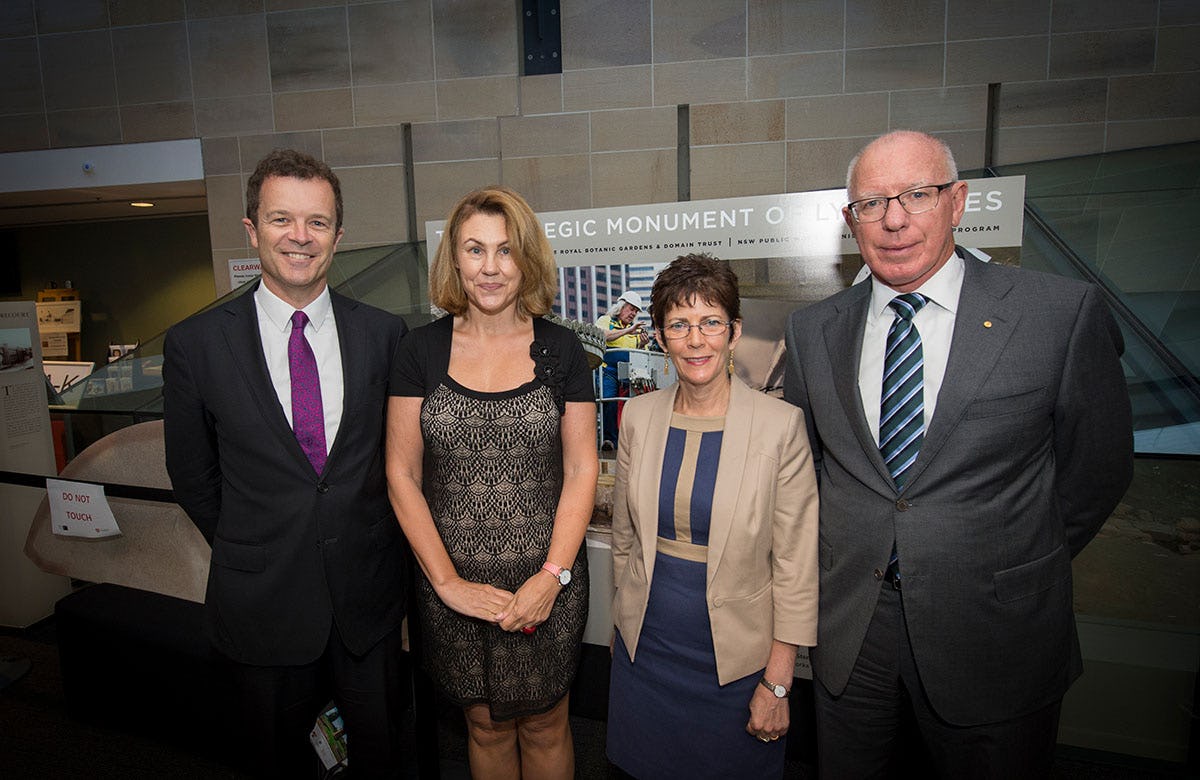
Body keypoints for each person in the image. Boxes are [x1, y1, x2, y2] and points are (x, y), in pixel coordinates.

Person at [783, 130, 1133, 777]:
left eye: (917, 194)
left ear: (958, 200)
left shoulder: (1058, 313)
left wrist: (1006, 556)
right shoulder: (812, 331)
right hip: (855, 629)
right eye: (872, 203)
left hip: (995, 630)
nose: (893, 219)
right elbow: (810, 469)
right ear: (850, 220)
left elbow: (1099, 469)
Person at [163, 149, 409, 778]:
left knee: (380, 760)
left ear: (338, 236)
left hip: (368, 605)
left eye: (317, 223)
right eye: (281, 219)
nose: (300, 237)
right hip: (261, 607)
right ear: (252, 229)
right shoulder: (196, 344)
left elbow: (404, 461)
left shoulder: (386, 335)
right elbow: (194, 477)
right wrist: (259, 542)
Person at [386, 186, 598, 779]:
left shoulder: (561, 350)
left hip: (546, 580)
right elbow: (400, 474)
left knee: (545, 723)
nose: (490, 267)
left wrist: (552, 577)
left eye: (506, 251)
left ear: (526, 260)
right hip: (451, 585)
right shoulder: (419, 351)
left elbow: (583, 469)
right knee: (483, 724)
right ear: (453, 258)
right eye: (475, 250)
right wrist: (448, 583)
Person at [607, 254, 819, 779]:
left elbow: (796, 563)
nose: (696, 339)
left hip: (737, 662)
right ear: (659, 336)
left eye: (710, 322)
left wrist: (778, 682)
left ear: (734, 331)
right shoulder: (637, 416)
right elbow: (625, 539)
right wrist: (621, 621)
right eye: (679, 324)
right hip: (646, 649)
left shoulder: (780, 426)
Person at [595, 291, 647, 449]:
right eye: (631, 309)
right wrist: (627, 331)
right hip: (608, 371)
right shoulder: (606, 321)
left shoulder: (635, 329)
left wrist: (642, 344)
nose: (633, 314)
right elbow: (603, 336)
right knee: (609, 402)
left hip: (628, 375)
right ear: (621, 306)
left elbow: (640, 354)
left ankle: (627, 440)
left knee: (629, 406)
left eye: (636, 311)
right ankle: (609, 440)